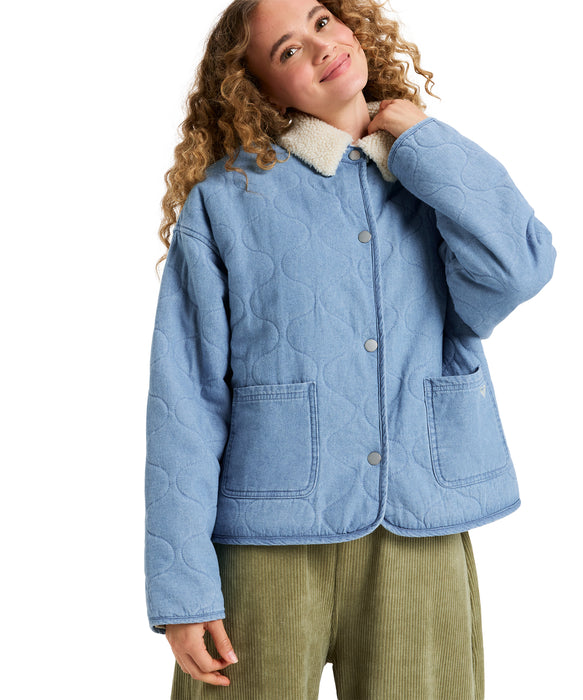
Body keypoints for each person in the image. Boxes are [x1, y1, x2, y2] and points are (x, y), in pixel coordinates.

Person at [144, 0, 557, 697]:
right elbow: (185, 396)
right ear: (260, 90)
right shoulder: (227, 200)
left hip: (419, 517)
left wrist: (422, 140)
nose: (318, 47)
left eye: (321, 21)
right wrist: (182, 590)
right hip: (266, 535)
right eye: (286, 51)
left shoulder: (432, 179)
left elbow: (518, 269)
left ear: (351, 25)